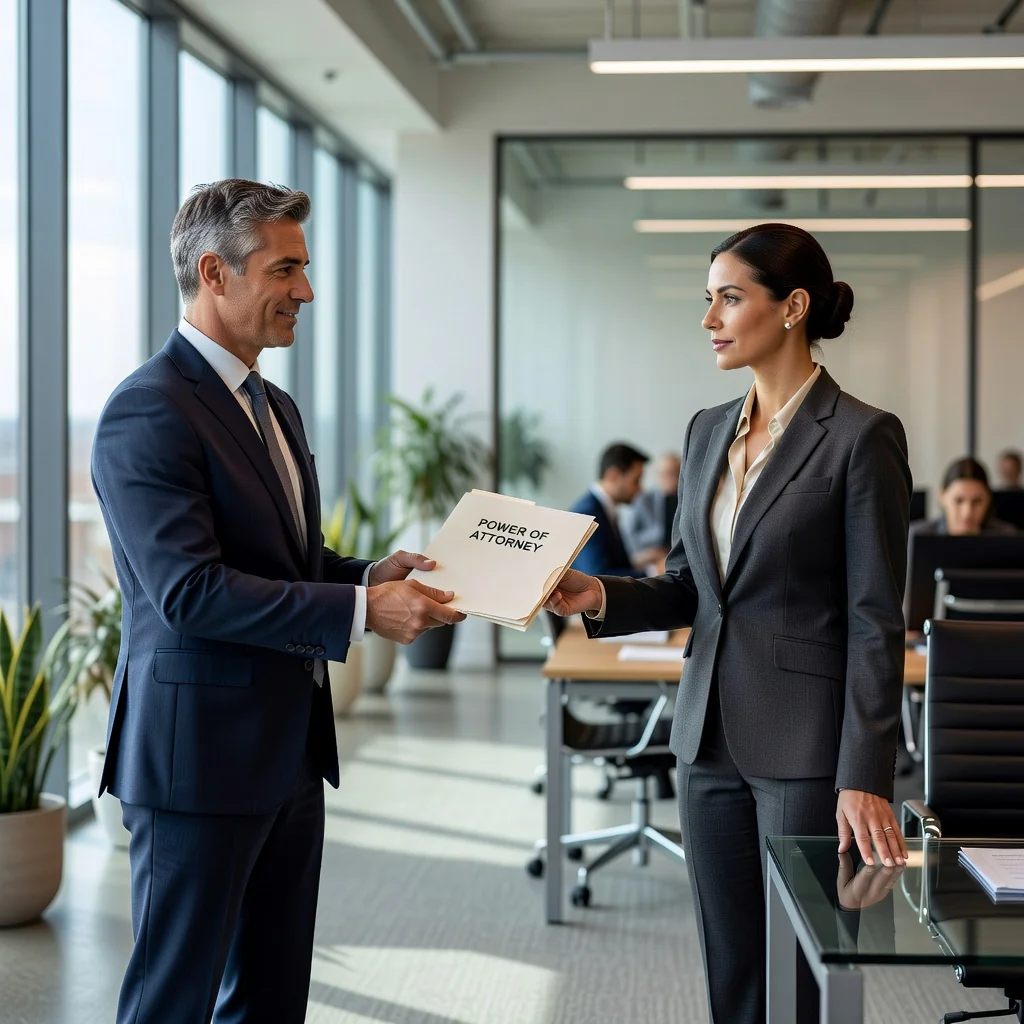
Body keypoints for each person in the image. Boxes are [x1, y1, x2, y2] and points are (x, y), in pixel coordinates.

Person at [91, 179, 465, 1024]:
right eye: (286, 269)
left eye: (305, 268)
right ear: (215, 273)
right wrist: (364, 616)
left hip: (289, 754)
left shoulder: (275, 405)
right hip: (197, 762)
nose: (306, 291)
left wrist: (368, 576)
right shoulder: (147, 410)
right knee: (172, 999)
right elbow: (189, 592)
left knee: (270, 997)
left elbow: (287, 562)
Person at [545, 223, 911, 1024]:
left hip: (808, 751)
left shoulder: (860, 437)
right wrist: (597, 595)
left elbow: (875, 617)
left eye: (730, 298)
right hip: (704, 736)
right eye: (707, 299)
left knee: (802, 976)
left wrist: (865, 775)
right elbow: (689, 586)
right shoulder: (708, 430)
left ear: (793, 308)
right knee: (733, 968)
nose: (709, 317)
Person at [568, 442, 649, 578]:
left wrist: (642, 560)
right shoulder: (587, 513)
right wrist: (652, 573)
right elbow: (597, 576)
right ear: (613, 475)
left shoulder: (603, 509)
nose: (640, 489)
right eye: (636, 480)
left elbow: (614, 564)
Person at [910, 456, 1016, 538]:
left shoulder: (1007, 537)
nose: (967, 513)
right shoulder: (915, 537)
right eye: (958, 501)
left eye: (977, 502)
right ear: (942, 497)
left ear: (988, 499)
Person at [620, 452, 682, 571]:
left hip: (679, 557)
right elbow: (629, 535)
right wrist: (653, 550)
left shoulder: (687, 500)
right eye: (665, 474)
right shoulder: (643, 499)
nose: (670, 478)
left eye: (674, 473)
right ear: (657, 476)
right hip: (650, 560)